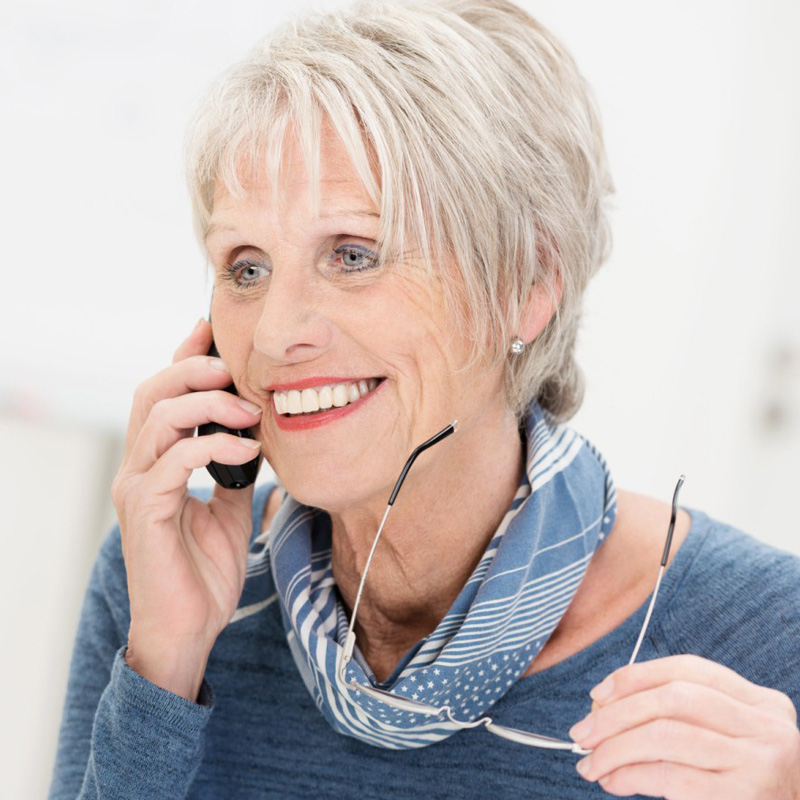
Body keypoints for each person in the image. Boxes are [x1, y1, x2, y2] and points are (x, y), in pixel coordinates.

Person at [49, 0, 800, 797]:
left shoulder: (761, 635)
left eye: (352, 254)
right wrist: (164, 666)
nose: (273, 334)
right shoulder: (163, 580)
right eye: (246, 267)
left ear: (526, 286)